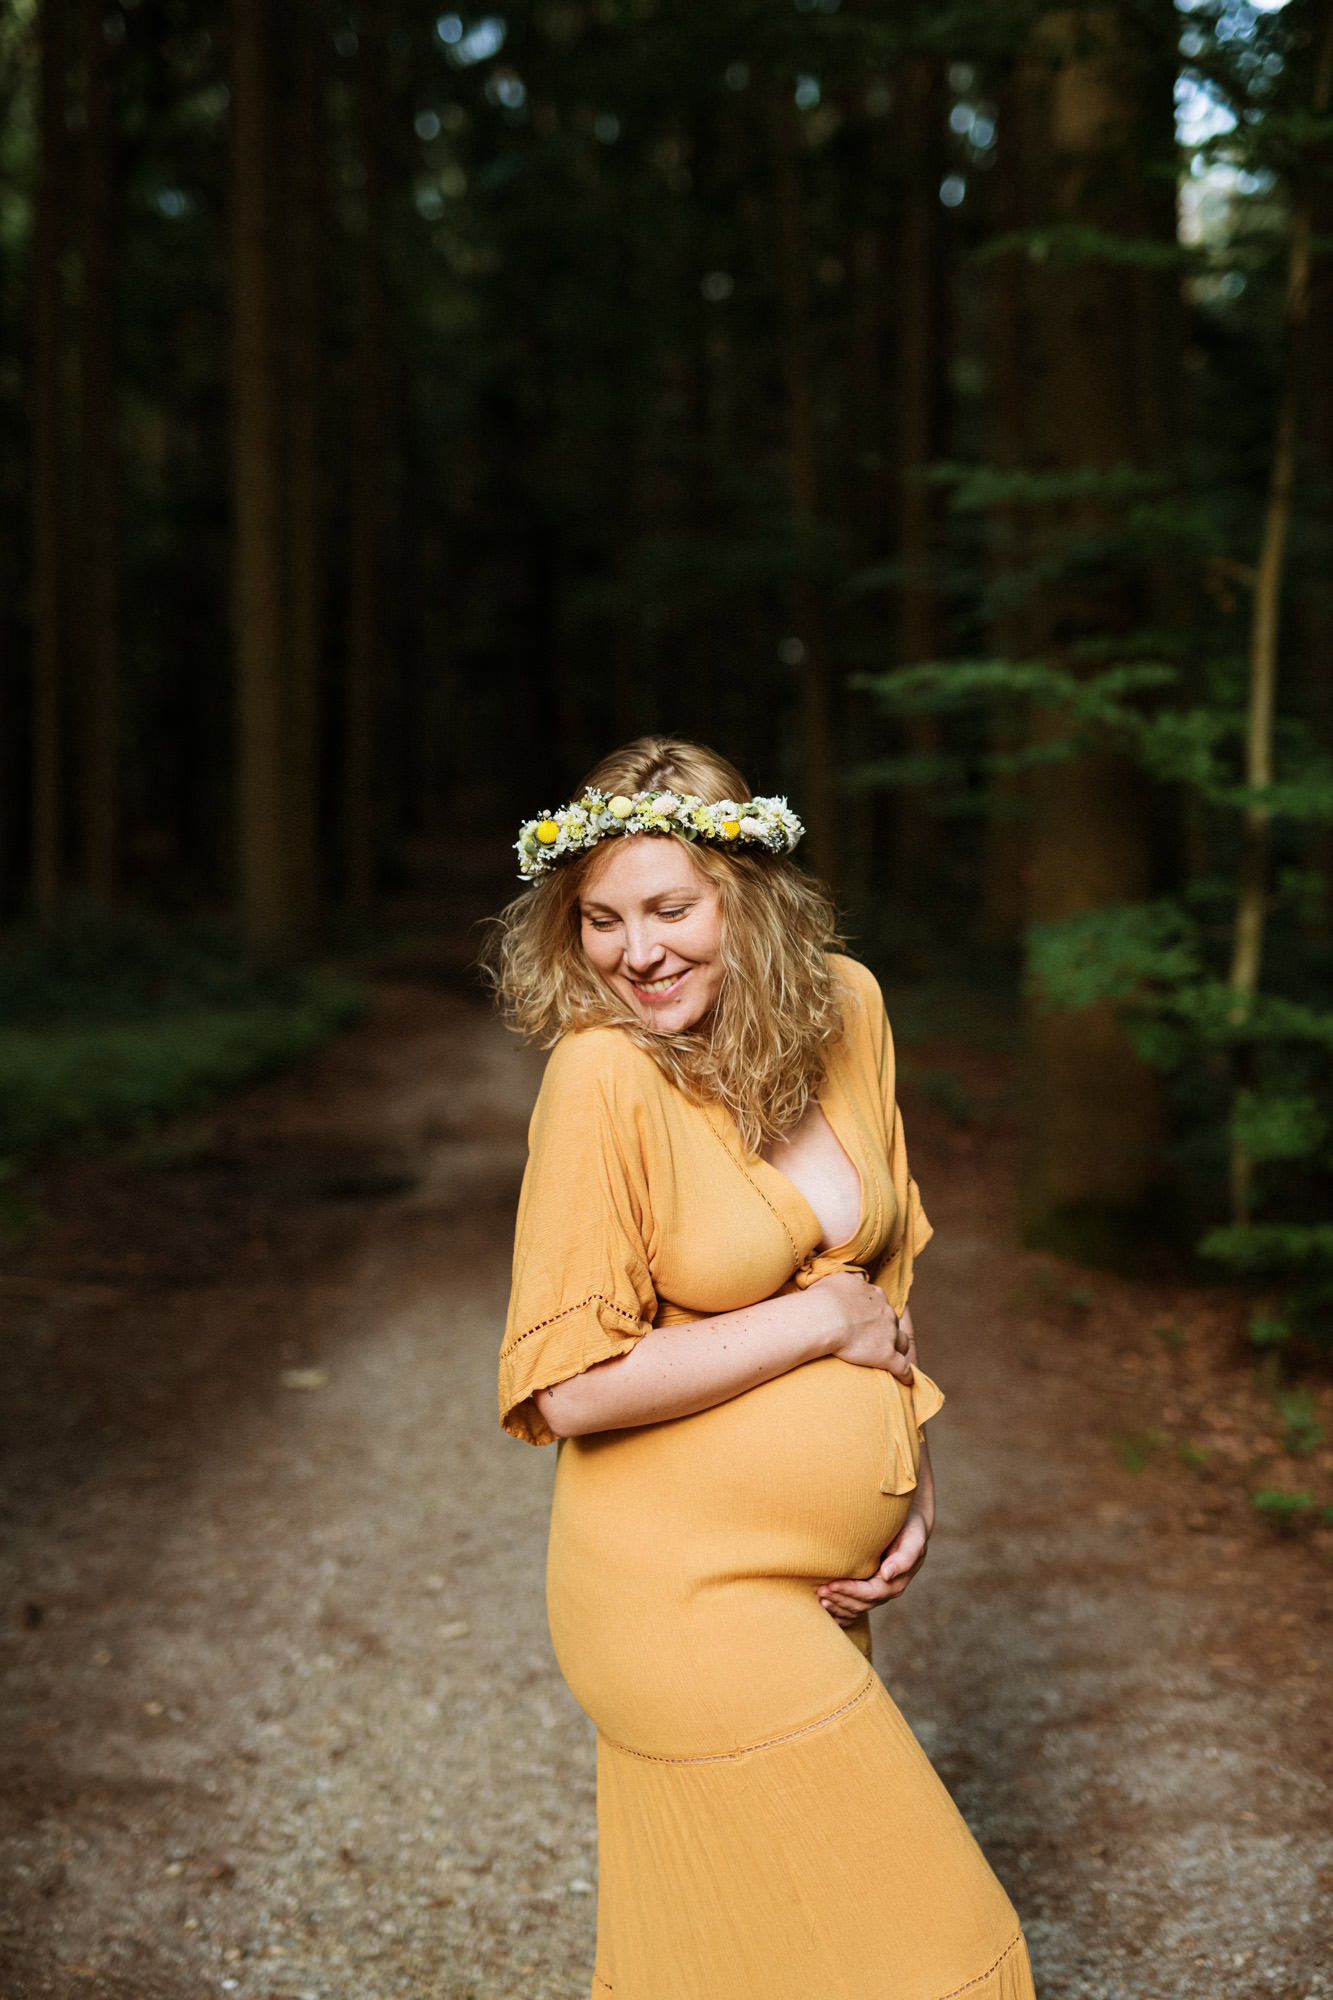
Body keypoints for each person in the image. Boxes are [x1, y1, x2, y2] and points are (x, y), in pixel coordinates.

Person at [489, 736, 1035, 2000]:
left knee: (745, 1956)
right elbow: (566, 1384)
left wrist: (915, 1474)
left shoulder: (850, 1007)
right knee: (946, 1955)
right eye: (602, 921)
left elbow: (886, 1284)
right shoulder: (601, 1073)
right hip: (675, 1595)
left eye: (673, 907)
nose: (639, 953)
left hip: (822, 1586)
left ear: (750, 895)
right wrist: (813, 1324)